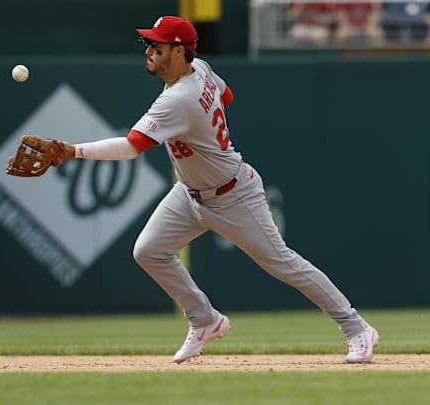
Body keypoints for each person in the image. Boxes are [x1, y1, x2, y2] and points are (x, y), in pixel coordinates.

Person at [33, 16, 380, 364]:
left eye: (158, 45)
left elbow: (131, 147)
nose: (149, 50)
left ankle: (357, 328)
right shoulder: (199, 67)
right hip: (190, 193)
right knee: (149, 251)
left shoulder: (177, 99)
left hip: (233, 195)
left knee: (284, 264)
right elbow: (226, 96)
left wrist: (71, 149)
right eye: (148, 43)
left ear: (179, 50)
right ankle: (204, 320)